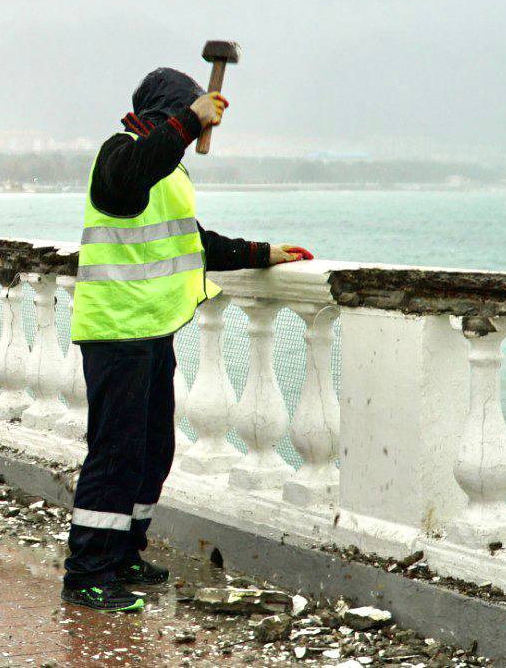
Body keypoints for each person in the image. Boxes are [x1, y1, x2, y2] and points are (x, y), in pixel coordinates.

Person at [61, 68, 313, 612]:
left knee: (153, 451)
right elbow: (133, 174)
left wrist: (262, 252)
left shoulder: (169, 171)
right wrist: (189, 119)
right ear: (169, 112)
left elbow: (191, 241)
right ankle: (86, 573)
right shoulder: (121, 152)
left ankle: (124, 552)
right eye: (185, 113)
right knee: (115, 455)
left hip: (153, 331)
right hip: (116, 331)